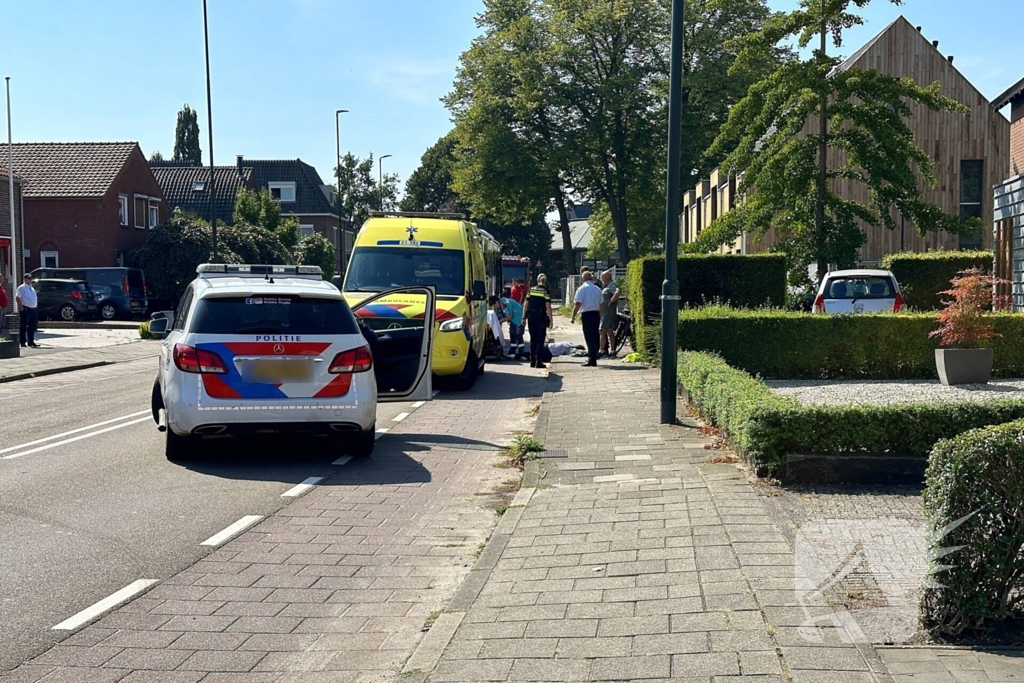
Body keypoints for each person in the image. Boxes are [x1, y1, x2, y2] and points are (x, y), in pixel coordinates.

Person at [570, 271, 602, 367]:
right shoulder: (597, 289)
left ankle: (591, 359)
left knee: (589, 336)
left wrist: (573, 316)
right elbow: (601, 304)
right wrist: (600, 315)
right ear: (591, 278)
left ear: (582, 279)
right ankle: (595, 353)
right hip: (596, 314)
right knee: (595, 335)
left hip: (587, 314)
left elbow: (578, 304)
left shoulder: (582, 289)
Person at [522, 274, 553, 368]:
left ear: (537, 280)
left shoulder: (531, 290)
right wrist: (551, 320)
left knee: (533, 339)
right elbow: (548, 306)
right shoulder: (545, 291)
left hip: (531, 316)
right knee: (540, 340)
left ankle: (532, 361)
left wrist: (523, 317)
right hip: (541, 317)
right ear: (545, 281)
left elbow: (526, 304)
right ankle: (538, 362)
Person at [599, 270, 620, 357]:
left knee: (608, 331)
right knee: (603, 330)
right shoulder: (607, 286)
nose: (601, 279)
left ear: (606, 277)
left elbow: (618, 292)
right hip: (605, 313)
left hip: (608, 313)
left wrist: (611, 302)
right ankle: (603, 350)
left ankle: (610, 351)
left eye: (602, 277)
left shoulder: (612, 285)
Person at [16, 273, 40, 348]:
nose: (30, 280)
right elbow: (17, 298)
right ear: (25, 279)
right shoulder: (22, 288)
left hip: (34, 309)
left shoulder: (32, 288)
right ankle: (22, 342)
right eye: (29, 279)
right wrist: (21, 308)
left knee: (32, 326)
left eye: (31, 279)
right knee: (23, 326)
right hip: (26, 309)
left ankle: (31, 341)